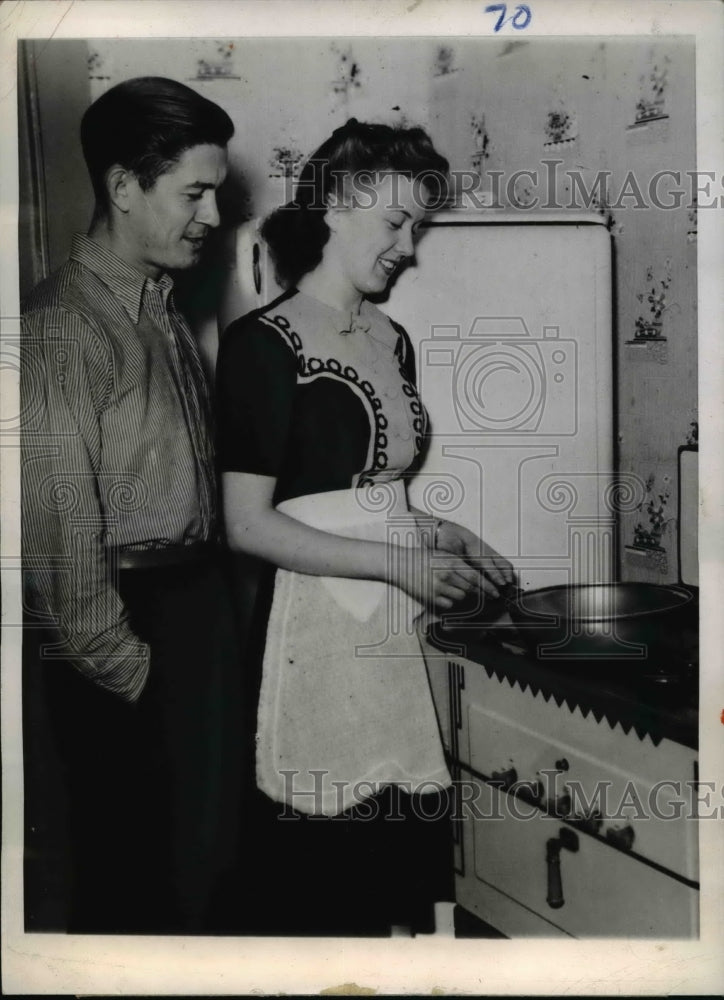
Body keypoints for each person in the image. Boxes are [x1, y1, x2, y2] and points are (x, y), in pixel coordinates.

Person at [217, 119, 515, 935]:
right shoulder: (263, 345)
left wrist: (438, 532)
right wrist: (398, 565)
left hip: (392, 635)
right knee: (322, 880)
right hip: (310, 637)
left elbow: (368, 493)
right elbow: (246, 524)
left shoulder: (393, 340)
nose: (409, 246)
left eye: (417, 225)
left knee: (396, 861)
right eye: (395, 223)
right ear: (340, 203)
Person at [21, 76, 244, 934]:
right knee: (134, 885)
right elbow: (59, 530)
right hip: (126, 629)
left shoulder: (160, 306)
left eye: (216, 192)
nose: (213, 216)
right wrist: (137, 674)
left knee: (204, 872)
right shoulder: (62, 327)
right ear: (122, 186)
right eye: (194, 192)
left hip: (190, 610)